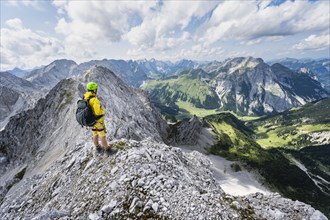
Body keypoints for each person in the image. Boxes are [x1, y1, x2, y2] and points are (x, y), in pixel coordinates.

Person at [84, 82, 117, 155]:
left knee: (95, 134)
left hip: (91, 121)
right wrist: (102, 110)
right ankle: (108, 149)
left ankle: (97, 147)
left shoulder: (85, 98)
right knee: (102, 135)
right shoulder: (94, 100)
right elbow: (98, 112)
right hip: (98, 121)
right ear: (94, 90)